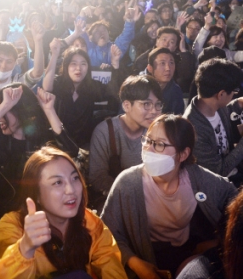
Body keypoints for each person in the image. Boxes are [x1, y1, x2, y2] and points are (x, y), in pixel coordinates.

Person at [101, 114, 238, 279]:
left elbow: (234, 198)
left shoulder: (196, 177)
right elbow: (106, 233)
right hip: (147, 256)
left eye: (159, 144)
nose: (148, 149)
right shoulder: (128, 182)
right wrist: (136, 263)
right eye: (147, 140)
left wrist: (218, 241)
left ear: (182, 154)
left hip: (191, 251)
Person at [0, 146, 127, 279]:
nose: (71, 190)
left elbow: (112, 268)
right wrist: (25, 249)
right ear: (36, 193)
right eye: (57, 182)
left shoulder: (91, 222)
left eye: (75, 178)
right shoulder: (12, 226)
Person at [0, 84, 79, 214]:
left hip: (35, 211)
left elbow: (71, 152)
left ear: (22, 110)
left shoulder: (42, 140)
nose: (0, 116)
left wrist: (49, 110)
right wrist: (5, 106)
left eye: (7, 109)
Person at [88, 75, 163, 204]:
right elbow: (97, 177)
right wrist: (129, 195)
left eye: (158, 105)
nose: (154, 111)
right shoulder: (105, 131)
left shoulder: (158, 131)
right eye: (146, 104)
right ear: (127, 106)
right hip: (115, 199)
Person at [43, 46, 121, 148]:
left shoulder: (93, 86)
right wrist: (54, 55)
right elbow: (46, 87)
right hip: (57, 142)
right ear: (66, 66)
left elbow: (114, 92)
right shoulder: (58, 83)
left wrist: (115, 64)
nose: (78, 68)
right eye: (73, 64)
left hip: (84, 147)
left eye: (83, 64)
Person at [183, 58, 243, 180]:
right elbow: (219, 171)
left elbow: (226, 108)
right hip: (223, 183)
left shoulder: (211, 103)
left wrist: (239, 103)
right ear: (221, 94)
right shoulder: (193, 129)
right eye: (234, 92)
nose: (234, 95)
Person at [145, 48, 184, 114]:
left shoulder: (176, 90)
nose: (168, 68)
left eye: (171, 63)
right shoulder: (139, 87)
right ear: (150, 68)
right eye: (162, 63)